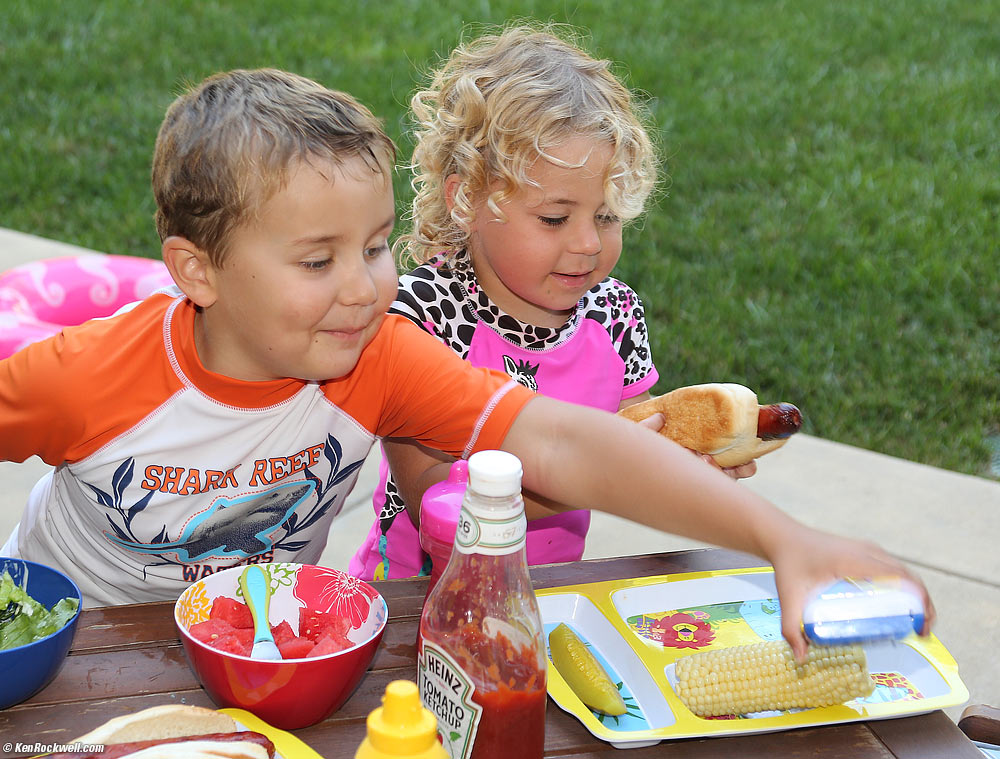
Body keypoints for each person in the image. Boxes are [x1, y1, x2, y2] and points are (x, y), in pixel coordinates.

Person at [0, 67, 929, 659]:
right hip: (73, 644)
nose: (367, 286)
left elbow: (565, 440)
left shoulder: (376, 357)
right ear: (198, 271)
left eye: (375, 247)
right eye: (319, 261)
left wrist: (783, 539)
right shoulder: (84, 377)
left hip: (264, 643)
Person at [350, 25, 753, 582]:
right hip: (415, 598)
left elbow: (643, 443)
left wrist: (690, 468)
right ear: (466, 198)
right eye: (555, 218)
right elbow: (433, 500)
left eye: (606, 217)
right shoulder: (422, 317)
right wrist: (605, 474)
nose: (588, 243)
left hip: (548, 593)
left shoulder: (614, 316)